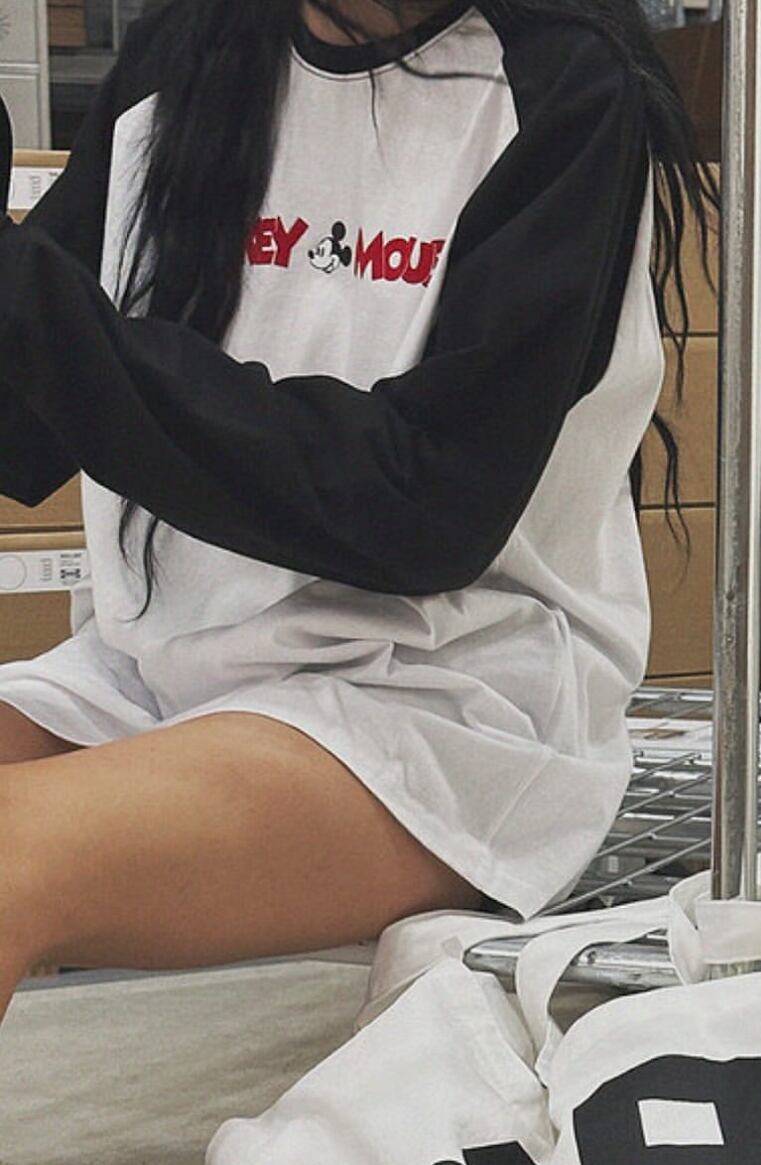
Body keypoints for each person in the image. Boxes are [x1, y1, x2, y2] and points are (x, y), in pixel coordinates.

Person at [0, 0, 714, 1022]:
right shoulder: (189, 52)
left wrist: (32, 312)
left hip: (437, 701)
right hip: (154, 664)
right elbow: (26, 419)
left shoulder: (558, 88)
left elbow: (425, 508)